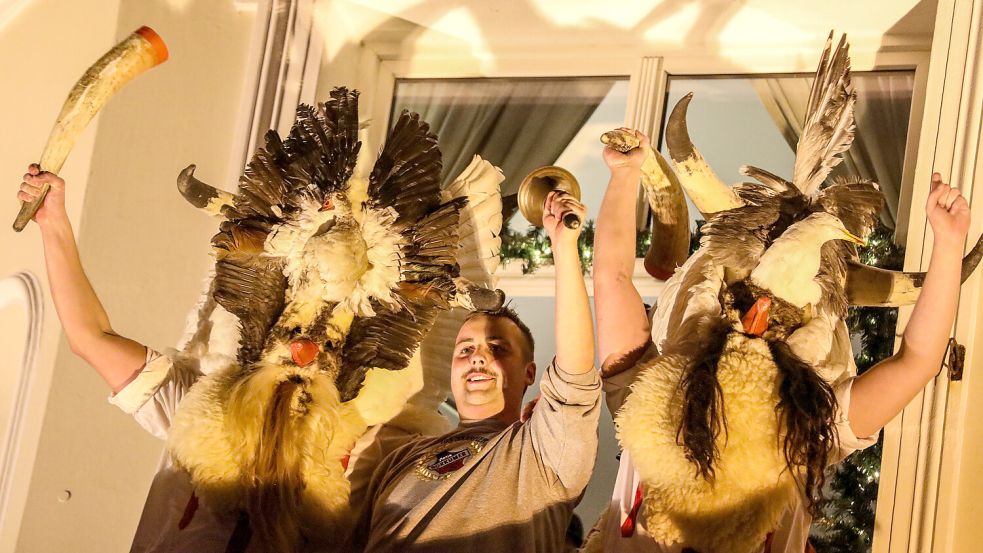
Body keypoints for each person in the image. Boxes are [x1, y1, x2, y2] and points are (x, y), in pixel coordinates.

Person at [588, 131, 973, 552]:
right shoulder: (807, 432)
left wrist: (624, 173)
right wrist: (948, 245)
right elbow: (917, 361)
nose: (757, 320)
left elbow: (611, 280)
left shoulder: (651, 399)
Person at [353, 190, 601, 552]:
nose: (477, 358)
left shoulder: (543, 452)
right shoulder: (398, 456)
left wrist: (563, 246)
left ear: (529, 372)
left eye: (497, 348)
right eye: (465, 349)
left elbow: (575, 376)